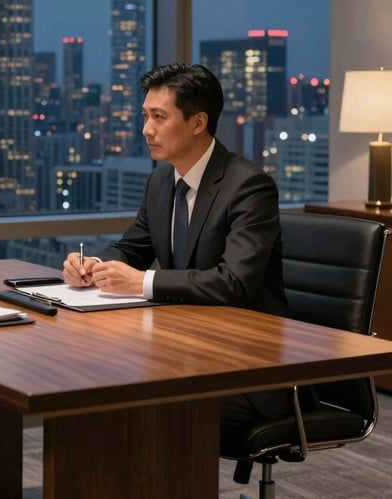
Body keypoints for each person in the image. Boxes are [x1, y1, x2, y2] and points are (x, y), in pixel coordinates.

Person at [62, 62, 298, 434]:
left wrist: (141, 282)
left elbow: (233, 283)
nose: (147, 130)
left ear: (198, 122)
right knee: (88, 382)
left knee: (131, 405)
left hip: (247, 364)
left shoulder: (248, 187)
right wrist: (93, 266)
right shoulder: (161, 181)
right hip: (185, 349)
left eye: (159, 117)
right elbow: (130, 248)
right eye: (145, 116)